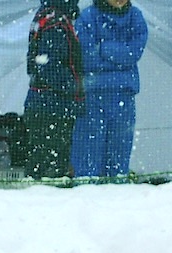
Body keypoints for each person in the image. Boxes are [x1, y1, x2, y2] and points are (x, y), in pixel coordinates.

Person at [71, 0, 148, 178]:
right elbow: (86, 57)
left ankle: (117, 200)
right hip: (92, 97)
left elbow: (134, 52)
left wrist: (104, 48)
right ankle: (86, 199)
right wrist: (120, 57)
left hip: (123, 95)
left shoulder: (136, 17)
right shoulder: (87, 17)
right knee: (87, 158)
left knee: (118, 158)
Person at [23, 1, 85, 180]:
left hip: (43, 104)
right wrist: (75, 87)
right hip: (52, 107)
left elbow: (38, 62)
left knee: (41, 165)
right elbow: (49, 66)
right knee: (51, 170)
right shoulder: (56, 21)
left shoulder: (47, 15)